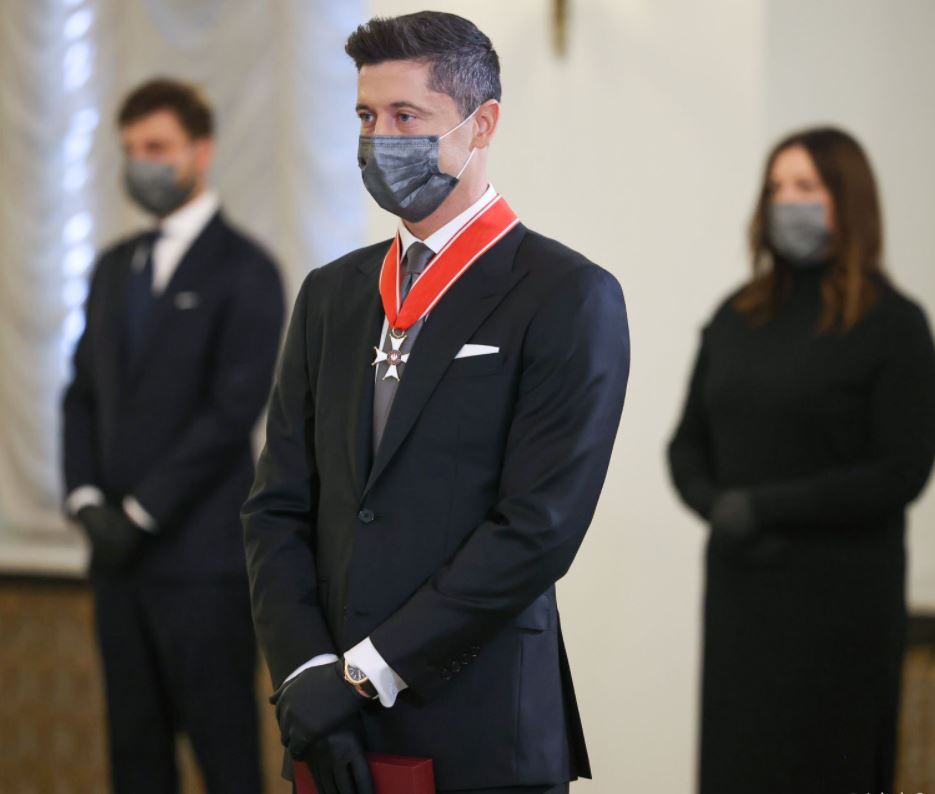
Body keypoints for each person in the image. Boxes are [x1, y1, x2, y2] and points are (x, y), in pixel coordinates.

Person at [242, 11, 630, 794]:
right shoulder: (330, 295)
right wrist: (310, 672)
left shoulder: (565, 294)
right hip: (327, 726)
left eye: (405, 116)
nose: (378, 139)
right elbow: (277, 506)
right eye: (365, 117)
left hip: (476, 723)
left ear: (480, 124)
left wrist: (365, 673)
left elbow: (536, 528)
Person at [668, 126, 935, 794]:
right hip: (741, 599)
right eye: (776, 187)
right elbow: (686, 443)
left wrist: (761, 507)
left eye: (806, 186)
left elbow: (900, 470)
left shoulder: (893, 324)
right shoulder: (737, 316)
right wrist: (717, 506)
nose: (787, 201)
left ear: (848, 198)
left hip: (839, 607)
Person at [62, 78, 284, 794]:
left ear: (200, 151)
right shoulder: (111, 267)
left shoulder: (247, 270)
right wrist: (86, 500)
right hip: (116, 566)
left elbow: (230, 413)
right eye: (130, 149)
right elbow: (81, 395)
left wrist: (139, 513)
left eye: (156, 146)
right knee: (134, 758)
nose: (142, 163)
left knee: (226, 759)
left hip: (202, 565)